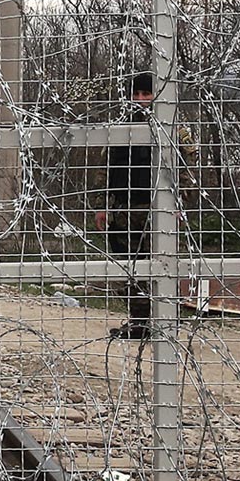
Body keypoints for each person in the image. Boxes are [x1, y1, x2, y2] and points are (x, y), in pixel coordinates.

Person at [96, 73, 156, 340]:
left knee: (156, 266)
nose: (141, 100)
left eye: (146, 94)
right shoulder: (120, 127)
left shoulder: (168, 126)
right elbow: (107, 169)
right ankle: (139, 321)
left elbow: (184, 168)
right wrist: (103, 205)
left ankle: (159, 320)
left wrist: (180, 204)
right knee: (128, 267)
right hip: (124, 208)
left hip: (156, 208)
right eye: (136, 95)